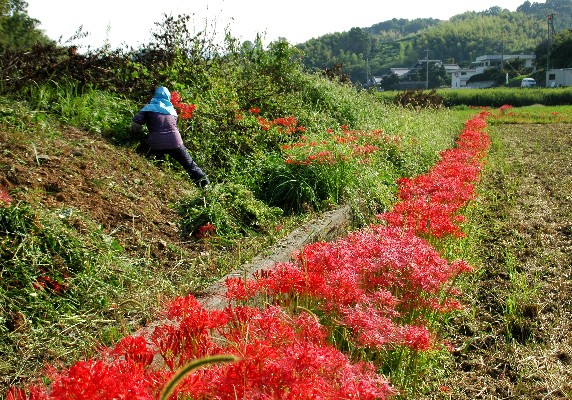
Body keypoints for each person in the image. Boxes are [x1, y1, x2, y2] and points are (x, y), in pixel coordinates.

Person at [131, 86, 210, 188]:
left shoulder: (148, 108)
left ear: (155, 96)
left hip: (156, 144)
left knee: (145, 155)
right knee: (190, 165)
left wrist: (134, 135)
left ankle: (152, 180)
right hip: (175, 142)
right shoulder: (172, 111)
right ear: (168, 98)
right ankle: (205, 184)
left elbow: (136, 123)